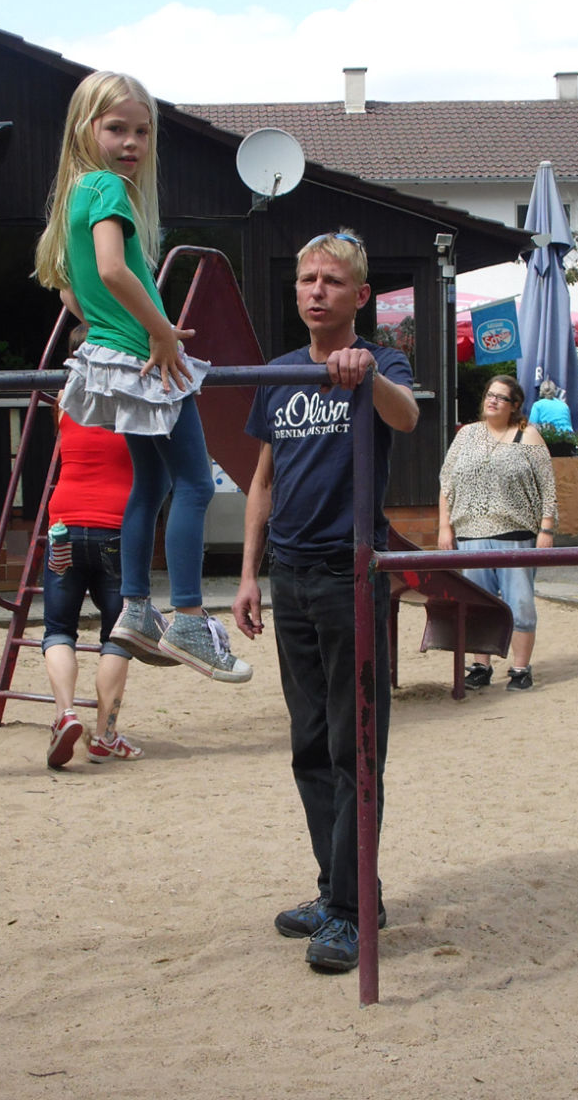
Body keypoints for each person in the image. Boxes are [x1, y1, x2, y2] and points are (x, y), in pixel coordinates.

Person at [232, 229, 419, 973]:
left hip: (352, 577)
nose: (316, 291)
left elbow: (405, 416)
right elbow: (263, 481)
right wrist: (248, 574)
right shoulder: (277, 372)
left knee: (354, 749)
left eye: (332, 281)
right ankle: (340, 889)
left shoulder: (380, 363)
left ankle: (349, 909)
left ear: (360, 296)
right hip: (292, 578)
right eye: (307, 279)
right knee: (309, 747)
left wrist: (366, 377)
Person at [33, 69, 250, 685]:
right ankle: (185, 617)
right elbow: (110, 269)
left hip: (109, 361)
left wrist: (109, 328)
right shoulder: (107, 188)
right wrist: (157, 329)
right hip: (144, 360)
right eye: (116, 129)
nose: (132, 142)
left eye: (142, 131)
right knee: (195, 485)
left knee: (150, 485)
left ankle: (132, 607)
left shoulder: (75, 192)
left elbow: (72, 291)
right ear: (86, 129)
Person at [43, 323, 155, 770]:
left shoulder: (65, 402)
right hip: (116, 527)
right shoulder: (133, 398)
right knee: (118, 635)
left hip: (64, 524)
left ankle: (64, 713)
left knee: (57, 629)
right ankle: (105, 734)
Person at [438, 375, 557, 692]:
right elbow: (446, 484)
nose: (492, 400)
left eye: (500, 397)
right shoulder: (466, 436)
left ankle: (520, 668)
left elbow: (548, 487)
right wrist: (444, 526)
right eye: (489, 394)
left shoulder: (527, 436)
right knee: (479, 603)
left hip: (514, 533)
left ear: (514, 405)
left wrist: (547, 528)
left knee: (520, 603)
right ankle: (481, 665)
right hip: (470, 535)